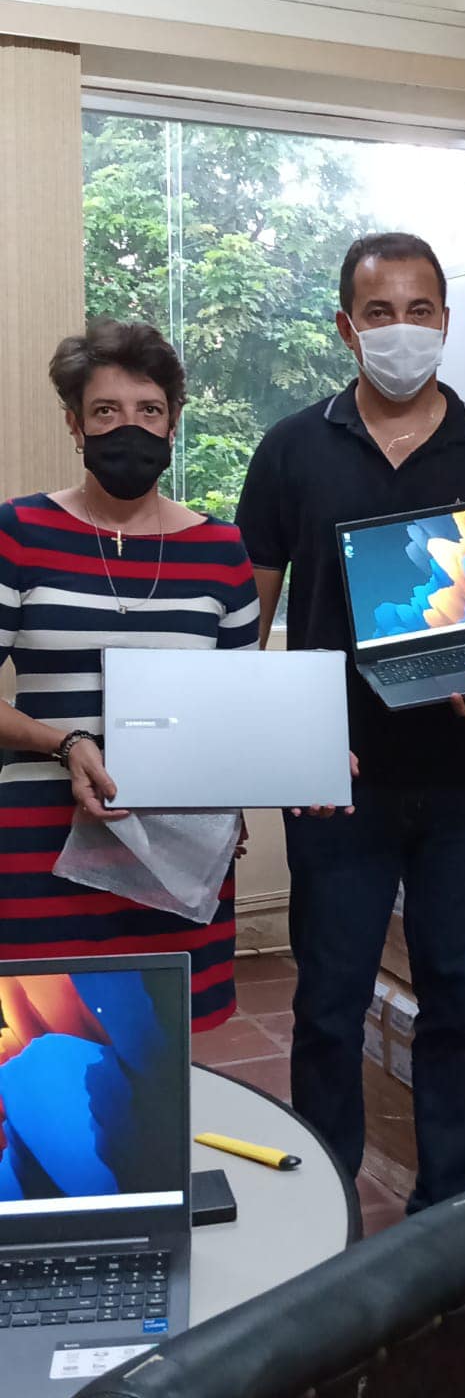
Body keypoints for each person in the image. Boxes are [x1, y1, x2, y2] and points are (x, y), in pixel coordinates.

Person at [236, 231, 465, 1208]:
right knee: (329, 1008)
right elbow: (247, 625)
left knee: (460, 1004)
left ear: (446, 322)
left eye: (420, 311)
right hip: (339, 780)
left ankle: (445, 1216)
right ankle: (327, 1214)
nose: (401, 330)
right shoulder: (291, 450)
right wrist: (281, 744)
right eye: (380, 313)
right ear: (346, 326)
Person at [0, 319, 260, 1029]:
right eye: (106, 411)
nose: (130, 429)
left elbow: (240, 708)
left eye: (149, 410)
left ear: (174, 423)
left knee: (165, 1054)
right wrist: (65, 743)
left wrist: (304, 763)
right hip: (40, 845)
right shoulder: (18, 533)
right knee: (42, 1050)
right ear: (74, 425)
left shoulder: (222, 550)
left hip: (174, 846)